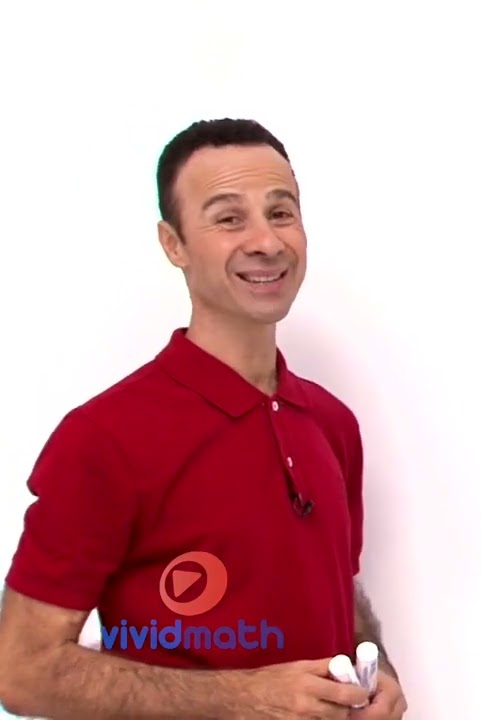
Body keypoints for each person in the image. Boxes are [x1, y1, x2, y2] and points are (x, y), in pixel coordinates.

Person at [0, 119, 408, 719]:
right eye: (228, 218)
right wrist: (243, 698)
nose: (266, 241)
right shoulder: (104, 438)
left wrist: (379, 669)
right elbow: (22, 670)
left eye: (281, 212)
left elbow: (335, 589)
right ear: (174, 244)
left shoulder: (332, 423)